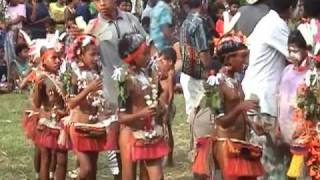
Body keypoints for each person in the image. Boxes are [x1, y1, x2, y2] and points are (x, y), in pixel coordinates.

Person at [192, 32, 265, 180]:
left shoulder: (236, 80)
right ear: (228, 59)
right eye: (242, 56)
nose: (246, 61)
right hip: (226, 145)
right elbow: (220, 121)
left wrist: (252, 125)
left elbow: (239, 108)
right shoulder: (215, 83)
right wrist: (241, 108)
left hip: (242, 142)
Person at [241, 0, 297, 179]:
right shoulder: (276, 26)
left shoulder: (267, 22)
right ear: (290, 8)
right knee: (272, 165)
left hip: (257, 97)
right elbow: (296, 55)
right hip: (263, 103)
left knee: (264, 162)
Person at [115, 33, 169, 180]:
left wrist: (161, 106)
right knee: (129, 176)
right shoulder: (124, 79)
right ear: (132, 56)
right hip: (131, 134)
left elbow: (160, 95)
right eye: (144, 54)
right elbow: (120, 117)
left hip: (150, 133)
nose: (148, 57)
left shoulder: (147, 74)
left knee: (156, 176)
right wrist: (142, 113)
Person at [66, 35, 118, 180]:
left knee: (93, 168)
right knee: (86, 169)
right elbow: (70, 103)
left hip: (96, 127)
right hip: (78, 127)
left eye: (97, 54)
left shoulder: (98, 72)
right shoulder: (74, 74)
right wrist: (89, 89)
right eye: (92, 54)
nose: (96, 58)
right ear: (80, 55)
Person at [32, 49, 68, 180]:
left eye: (58, 58)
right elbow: (36, 103)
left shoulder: (64, 77)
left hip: (61, 122)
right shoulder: (42, 78)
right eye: (53, 58)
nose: (57, 61)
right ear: (44, 61)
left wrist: (65, 112)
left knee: (61, 159)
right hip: (47, 123)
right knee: (45, 158)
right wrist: (37, 87)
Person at [179, 0, 211, 118]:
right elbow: (203, 52)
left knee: (193, 114)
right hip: (198, 75)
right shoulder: (199, 22)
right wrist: (209, 72)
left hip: (187, 71)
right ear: (203, 3)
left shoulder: (186, 21)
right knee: (202, 115)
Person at [279, 30, 311, 144]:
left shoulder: (310, 75)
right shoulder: (287, 71)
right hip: (284, 129)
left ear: (306, 50)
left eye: (295, 51)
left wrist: (300, 127)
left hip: (301, 133)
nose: (291, 55)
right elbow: (280, 99)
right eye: (289, 51)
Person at [157, 47, 177, 166]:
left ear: (170, 62)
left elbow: (171, 94)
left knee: (167, 130)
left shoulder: (171, 73)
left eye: (163, 61)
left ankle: (169, 157)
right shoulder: (164, 73)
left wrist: (168, 109)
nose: (160, 63)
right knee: (163, 130)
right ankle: (165, 155)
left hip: (167, 106)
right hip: (162, 106)